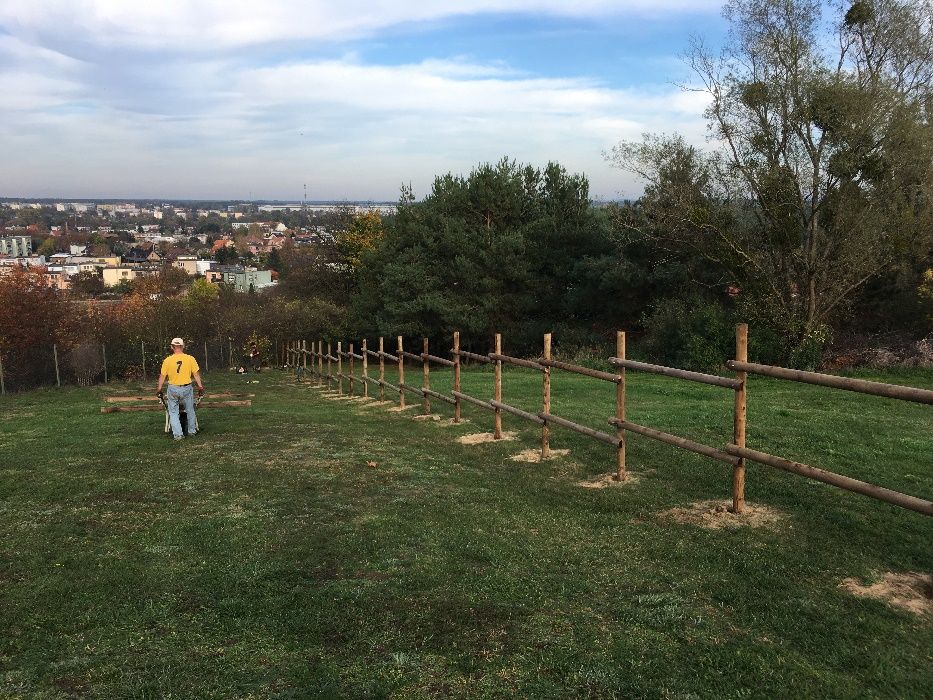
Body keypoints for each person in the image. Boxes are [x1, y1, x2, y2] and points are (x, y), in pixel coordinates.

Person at [156, 337, 204, 441]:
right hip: (186, 388)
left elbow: (162, 376)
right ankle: (192, 431)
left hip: (173, 388)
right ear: (182, 346)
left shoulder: (167, 360)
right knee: (190, 409)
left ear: (172, 347)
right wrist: (200, 386)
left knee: (173, 412)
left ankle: (178, 434)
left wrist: (159, 389)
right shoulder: (190, 358)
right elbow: (196, 374)